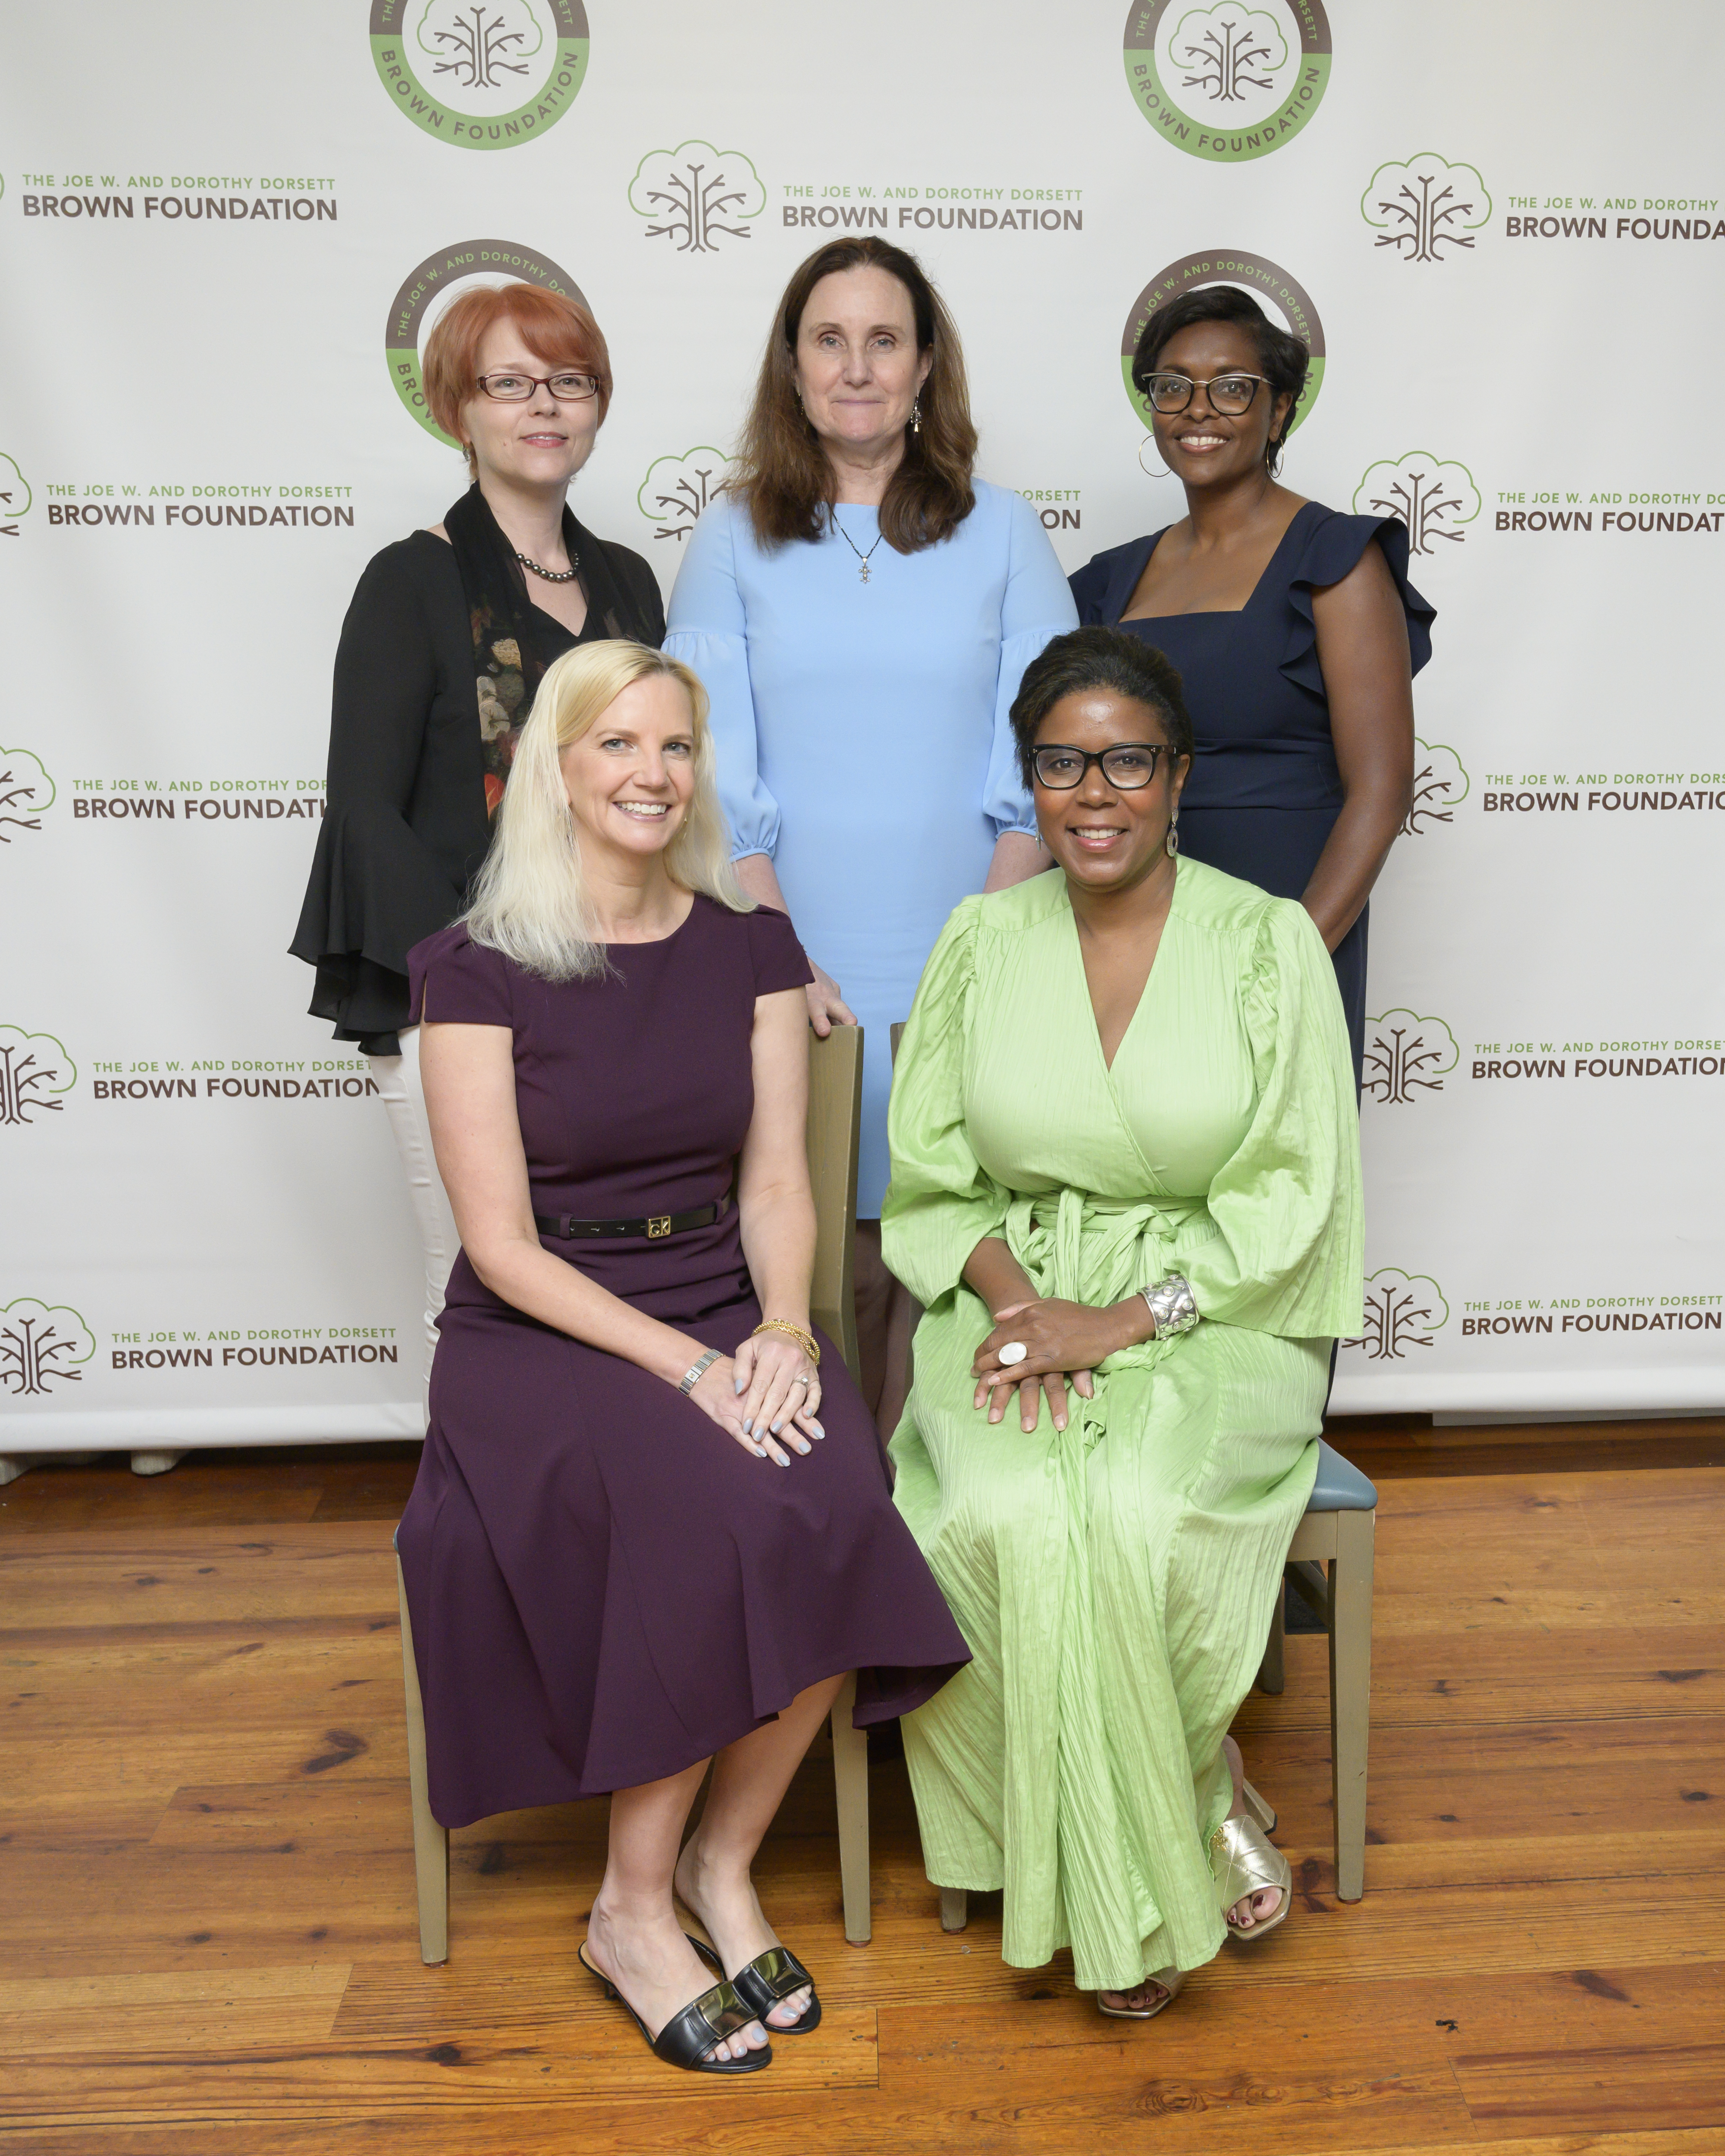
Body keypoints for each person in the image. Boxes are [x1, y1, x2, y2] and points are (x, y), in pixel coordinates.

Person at [396, 640, 969, 2075]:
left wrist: (779, 1330)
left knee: (840, 1497)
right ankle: (629, 1910)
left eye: (676, 748)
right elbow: (505, 1247)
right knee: (707, 1516)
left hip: (723, 1294)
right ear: (560, 769)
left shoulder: (752, 948)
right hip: (546, 1334)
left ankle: (723, 1864)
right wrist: (694, 1373)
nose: (652, 775)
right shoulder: (469, 971)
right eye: (618, 745)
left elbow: (777, 1182)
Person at [882, 627, 1361, 2020]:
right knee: (999, 1513)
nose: (1095, 792)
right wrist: (1025, 1298)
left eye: (1127, 760)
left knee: (1140, 1508)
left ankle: (1126, 1887)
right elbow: (930, 1180)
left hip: (1220, 1304)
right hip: (1011, 1289)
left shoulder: (1268, 943)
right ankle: (1184, 1806)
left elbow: (1292, 1201)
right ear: (1030, 782)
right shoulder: (980, 939)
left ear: (1179, 776)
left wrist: (1127, 1318)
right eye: (1061, 763)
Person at [665, 236, 1076, 1432]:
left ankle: (920, 1516)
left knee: (937, 1247)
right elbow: (704, 765)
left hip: (973, 942)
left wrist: (980, 949)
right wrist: (782, 958)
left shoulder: (1002, 531)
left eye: (884, 339)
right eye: (829, 341)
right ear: (792, 370)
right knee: (820, 1248)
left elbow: (1046, 756)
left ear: (926, 365)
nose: (857, 367)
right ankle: (826, 1516)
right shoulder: (733, 536)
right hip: (786, 951)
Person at [291, 282, 665, 1387]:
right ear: (460, 409)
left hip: (618, 991)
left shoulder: (631, 584)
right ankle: (472, 1547)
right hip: (461, 999)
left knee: (603, 1297)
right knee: (477, 1288)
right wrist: (481, 983)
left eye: (569, 381)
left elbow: (659, 794)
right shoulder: (409, 580)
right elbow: (366, 809)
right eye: (509, 382)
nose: (542, 406)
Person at [1070, 286, 1434, 1083]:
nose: (1198, 410)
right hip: (1135, 923)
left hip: (1289, 917)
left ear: (1280, 412)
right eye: (1172, 387)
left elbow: (1381, 791)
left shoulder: (1334, 558)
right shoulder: (1108, 582)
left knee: (1274, 1178)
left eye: (1232, 387)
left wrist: (1292, 959)